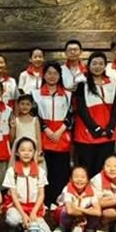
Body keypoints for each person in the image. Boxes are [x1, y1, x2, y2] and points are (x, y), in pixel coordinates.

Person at [32, 62, 73, 205]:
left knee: (61, 172)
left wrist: (60, 130)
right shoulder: (35, 94)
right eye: (49, 73)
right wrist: (46, 129)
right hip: (44, 137)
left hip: (62, 138)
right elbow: (34, 114)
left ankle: (59, 203)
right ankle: (45, 202)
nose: (52, 76)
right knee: (45, 172)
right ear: (44, 75)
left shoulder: (68, 94)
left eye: (55, 73)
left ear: (60, 76)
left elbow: (71, 115)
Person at [73, 51, 116, 176]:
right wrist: (96, 129)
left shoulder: (112, 82)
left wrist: (110, 128)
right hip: (86, 135)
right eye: (94, 63)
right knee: (87, 171)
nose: (97, 66)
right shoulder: (82, 83)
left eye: (101, 63)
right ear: (88, 65)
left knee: (103, 171)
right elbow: (81, 109)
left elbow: (115, 108)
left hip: (108, 134)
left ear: (105, 66)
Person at [2, 138, 52, 232]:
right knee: (13, 219)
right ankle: (18, 226)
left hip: (34, 208)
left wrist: (33, 212)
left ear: (34, 153)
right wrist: (23, 215)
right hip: (18, 207)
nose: (26, 153)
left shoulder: (40, 171)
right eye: (23, 150)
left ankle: (28, 228)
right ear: (17, 153)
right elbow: (13, 196)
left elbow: (41, 195)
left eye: (30, 150)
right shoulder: (12, 171)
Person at [52, 166, 103, 232]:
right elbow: (69, 211)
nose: (79, 179)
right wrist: (87, 212)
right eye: (76, 177)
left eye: (83, 177)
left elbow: (98, 212)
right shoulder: (67, 189)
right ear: (71, 179)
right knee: (64, 210)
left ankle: (89, 230)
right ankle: (62, 228)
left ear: (87, 180)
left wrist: (79, 209)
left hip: (82, 217)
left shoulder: (92, 190)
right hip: (68, 217)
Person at [13, 93, 41, 159]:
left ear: (31, 106)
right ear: (18, 105)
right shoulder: (16, 120)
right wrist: (12, 127)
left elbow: (38, 138)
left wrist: (39, 151)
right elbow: (12, 137)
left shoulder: (35, 120)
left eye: (28, 104)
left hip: (33, 150)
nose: (25, 107)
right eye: (22, 104)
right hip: (20, 151)